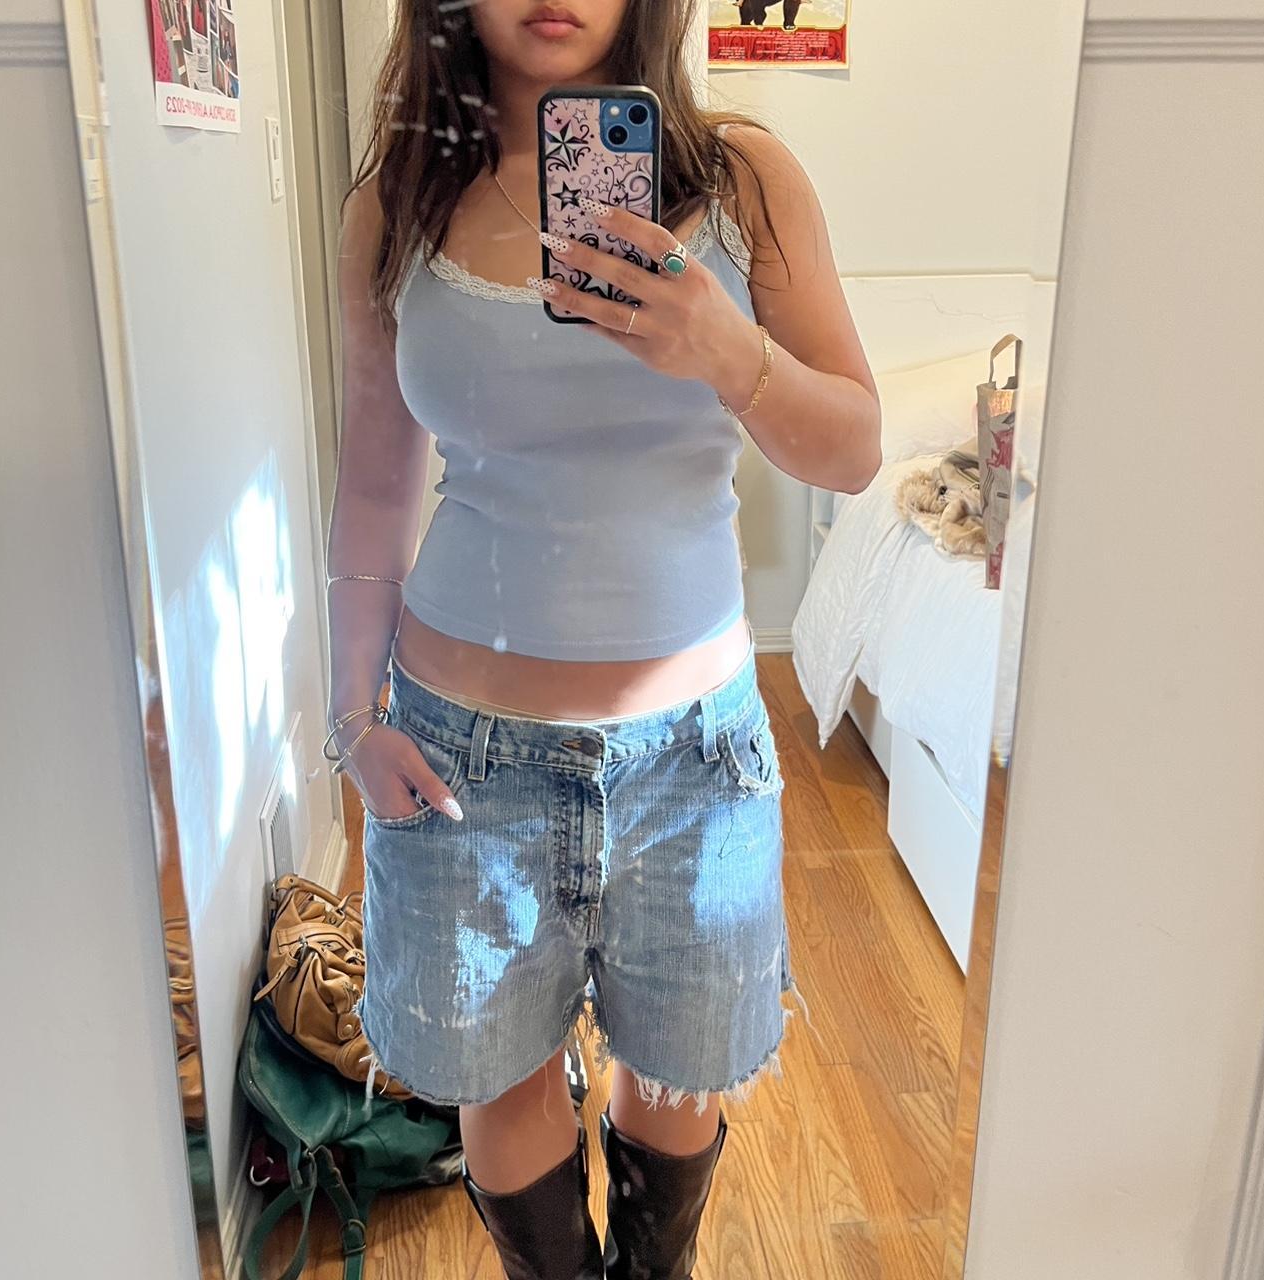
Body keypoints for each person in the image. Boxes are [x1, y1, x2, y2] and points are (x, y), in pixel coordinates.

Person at [325, 2, 879, 1276]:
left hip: (693, 761)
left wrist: (727, 352)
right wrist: (350, 715)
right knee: (501, 1079)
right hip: (459, 760)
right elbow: (373, 480)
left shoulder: (741, 182)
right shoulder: (397, 204)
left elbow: (853, 449)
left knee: (676, 1082)